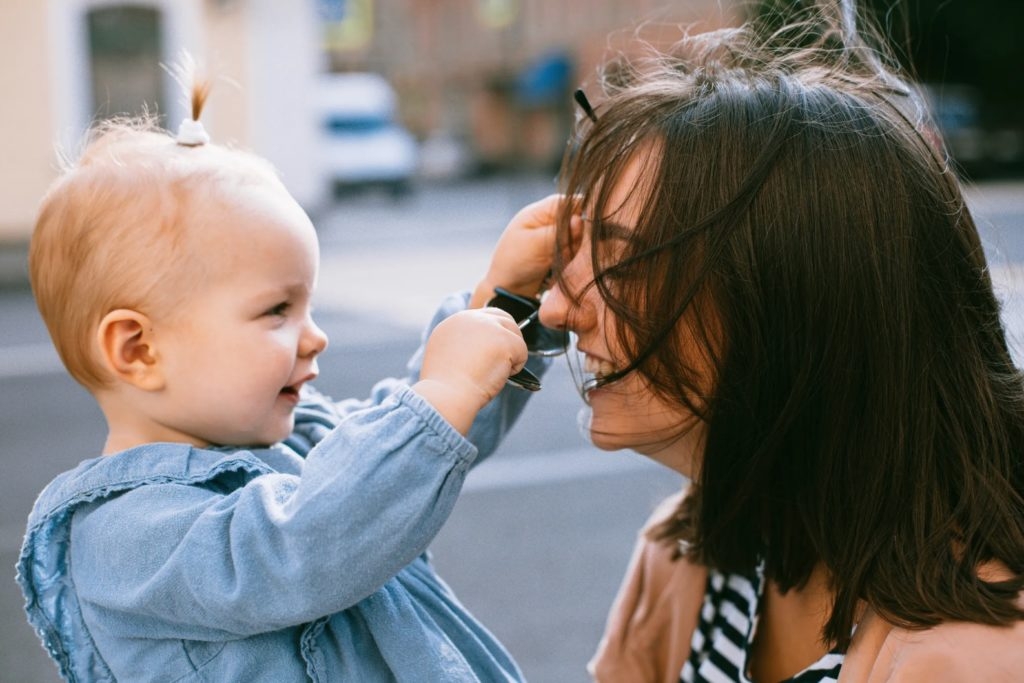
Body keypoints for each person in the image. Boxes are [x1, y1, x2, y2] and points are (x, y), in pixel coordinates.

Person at [17, 66, 562, 682]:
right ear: (138, 349)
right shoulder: (122, 539)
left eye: (307, 306)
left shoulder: (294, 442)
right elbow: (304, 543)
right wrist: (444, 394)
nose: (315, 335)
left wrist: (504, 303)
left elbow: (402, 445)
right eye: (277, 310)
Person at [529, 6, 1024, 682]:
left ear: (793, 303)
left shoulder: (976, 658)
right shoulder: (687, 552)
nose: (556, 306)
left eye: (623, 264)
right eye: (573, 252)